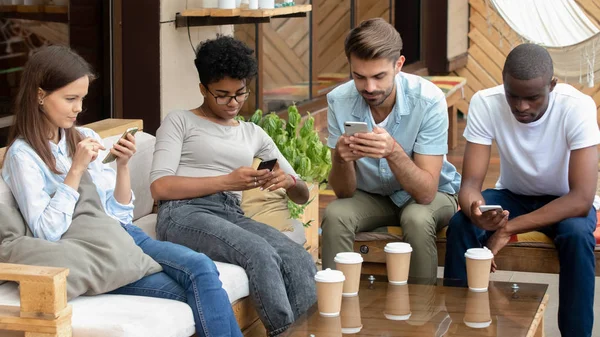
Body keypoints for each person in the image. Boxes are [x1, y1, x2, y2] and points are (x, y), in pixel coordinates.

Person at [2, 45, 242, 337]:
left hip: (123, 236)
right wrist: (75, 170)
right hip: (93, 252)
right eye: (70, 99)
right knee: (199, 279)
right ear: (40, 95)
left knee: (202, 270)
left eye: (82, 99)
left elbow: (119, 216)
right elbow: (46, 231)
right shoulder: (23, 156)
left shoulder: (83, 136)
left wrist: (123, 167)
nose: (78, 108)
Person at [150, 35, 317, 337]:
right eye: (222, 95)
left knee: (297, 257)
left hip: (230, 214)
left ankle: (306, 331)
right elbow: (160, 187)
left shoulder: (253, 133)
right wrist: (228, 181)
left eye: (240, 94)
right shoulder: (180, 122)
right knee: (258, 251)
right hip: (184, 213)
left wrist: (289, 181)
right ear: (203, 89)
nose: (233, 103)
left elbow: (302, 194)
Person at [443, 43, 599, 337]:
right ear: (502, 81)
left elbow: (581, 199)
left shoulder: (577, 107)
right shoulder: (486, 103)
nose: (521, 106)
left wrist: (506, 229)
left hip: (564, 201)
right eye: (512, 95)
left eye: (533, 97)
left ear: (552, 86)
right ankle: (463, 328)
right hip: (512, 195)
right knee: (461, 224)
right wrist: (476, 211)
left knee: (577, 236)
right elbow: (470, 186)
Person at [321, 18, 461, 282]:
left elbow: (425, 192)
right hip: (372, 195)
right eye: (359, 76)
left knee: (417, 219)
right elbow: (344, 192)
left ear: (398, 65)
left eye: (379, 76)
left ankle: (422, 313)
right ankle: (335, 305)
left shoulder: (429, 100)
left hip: (432, 195)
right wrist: (341, 159)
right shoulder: (339, 100)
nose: (369, 88)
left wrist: (393, 152)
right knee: (335, 213)